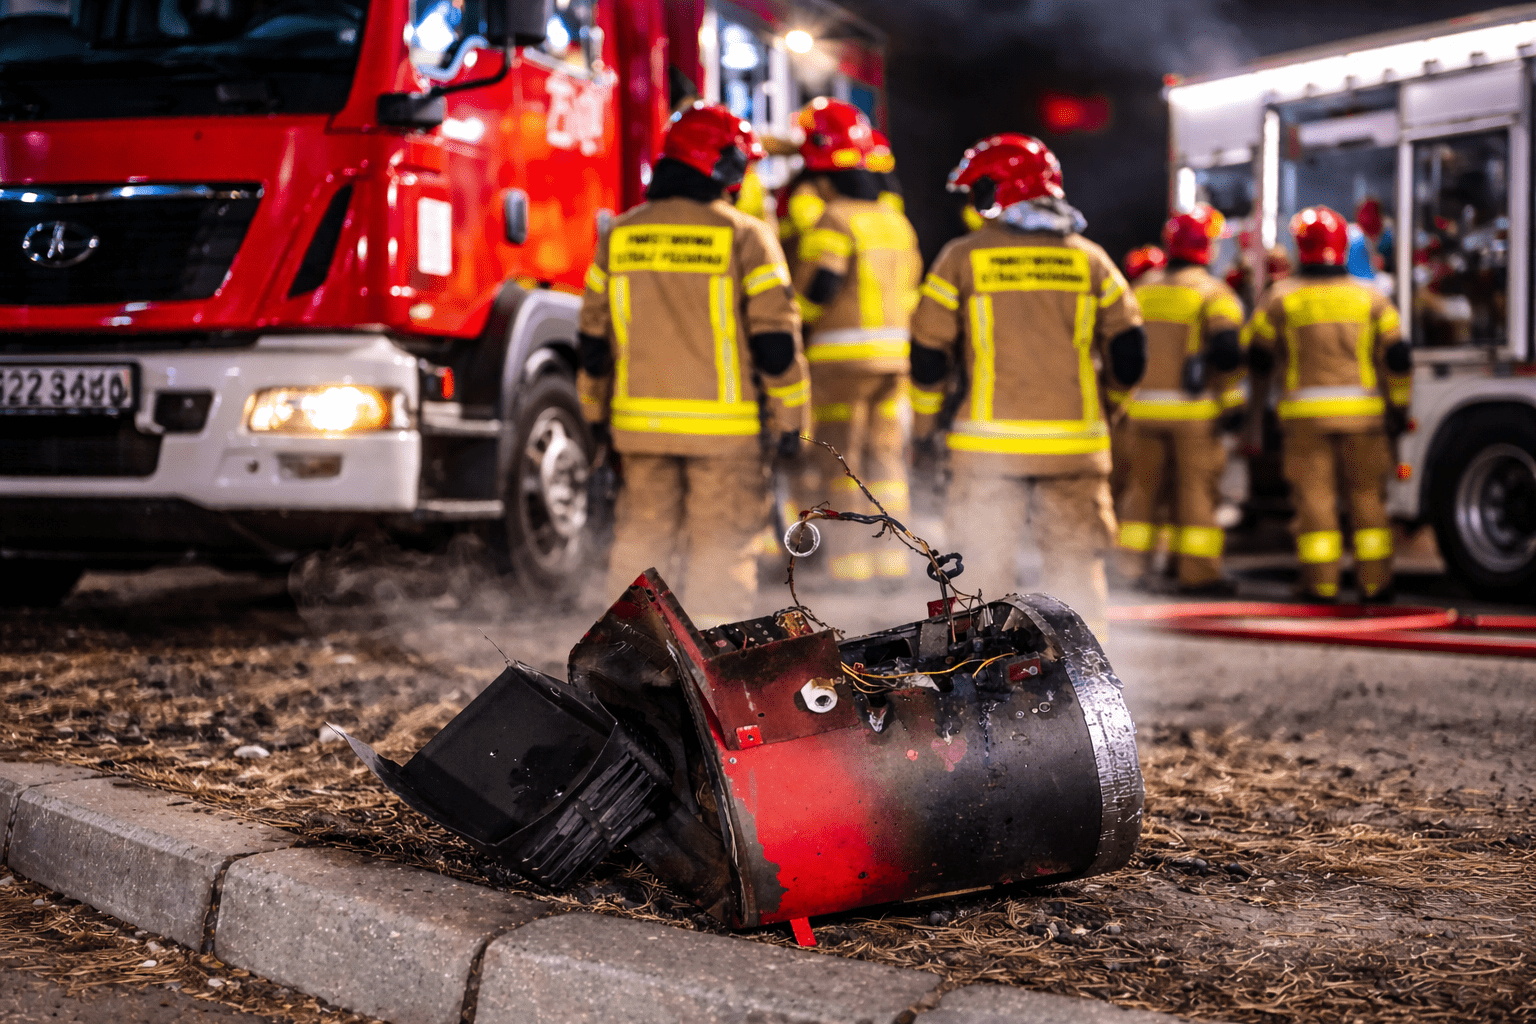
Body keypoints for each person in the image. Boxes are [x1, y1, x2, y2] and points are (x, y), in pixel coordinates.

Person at [577, 103, 810, 626]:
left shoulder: (619, 235)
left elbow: (593, 339)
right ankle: (709, 671)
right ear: (721, 168)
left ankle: (625, 663)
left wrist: (594, 414)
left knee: (640, 545)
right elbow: (775, 343)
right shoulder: (746, 237)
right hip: (725, 437)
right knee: (721, 550)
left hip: (639, 432)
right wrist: (792, 421)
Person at [909, 134, 1146, 636]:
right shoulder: (1092, 260)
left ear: (1003, 192)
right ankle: (1086, 679)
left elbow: (929, 354)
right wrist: (1112, 408)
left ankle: (984, 680)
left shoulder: (961, 258)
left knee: (980, 572)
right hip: (1076, 448)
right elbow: (1129, 353)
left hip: (988, 451)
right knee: (1076, 567)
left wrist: (927, 424)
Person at [1243, 205, 1412, 601]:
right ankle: (1376, 584)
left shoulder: (1280, 297)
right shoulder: (1371, 299)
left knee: (1315, 503)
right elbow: (1399, 357)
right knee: (1368, 500)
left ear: (1301, 248)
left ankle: (1321, 585)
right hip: (1365, 419)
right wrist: (1399, 408)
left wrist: (1256, 412)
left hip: (1305, 420)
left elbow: (1257, 356)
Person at [791, 99, 923, 584]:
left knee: (840, 457)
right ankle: (891, 559)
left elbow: (822, 284)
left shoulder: (834, 219)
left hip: (842, 360)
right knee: (885, 457)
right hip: (895, 359)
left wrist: (795, 323)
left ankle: (849, 564)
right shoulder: (895, 220)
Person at [1115, 206, 1247, 594]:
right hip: (1194, 413)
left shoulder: (1141, 290)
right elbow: (1226, 351)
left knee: (1141, 492)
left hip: (1141, 412)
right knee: (1195, 494)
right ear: (1206, 248)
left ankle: (1129, 569)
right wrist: (1233, 404)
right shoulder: (1213, 293)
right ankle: (1198, 574)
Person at [1109, 244, 1168, 507]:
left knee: (1129, 483)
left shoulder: (1130, 298)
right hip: (1183, 404)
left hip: (1131, 407)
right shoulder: (1190, 293)